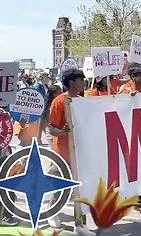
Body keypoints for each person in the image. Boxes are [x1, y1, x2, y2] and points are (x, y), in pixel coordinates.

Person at [47, 69, 95, 236]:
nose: (84, 82)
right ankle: (52, 212)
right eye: (81, 79)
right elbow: (52, 128)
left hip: (80, 154)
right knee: (61, 188)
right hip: (62, 155)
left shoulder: (82, 101)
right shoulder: (59, 102)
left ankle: (80, 225)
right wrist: (63, 131)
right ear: (72, 82)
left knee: (80, 191)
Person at [117, 63, 141, 214]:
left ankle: (140, 200)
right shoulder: (126, 91)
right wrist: (127, 100)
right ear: (133, 77)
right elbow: (116, 107)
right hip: (129, 135)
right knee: (130, 170)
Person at [33, 73, 49, 145]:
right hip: (39, 108)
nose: (47, 79)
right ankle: (38, 139)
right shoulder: (37, 86)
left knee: (44, 124)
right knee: (40, 124)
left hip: (45, 107)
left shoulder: (45, 86)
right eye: (46, 77)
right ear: (42, 78)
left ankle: (42, 139)